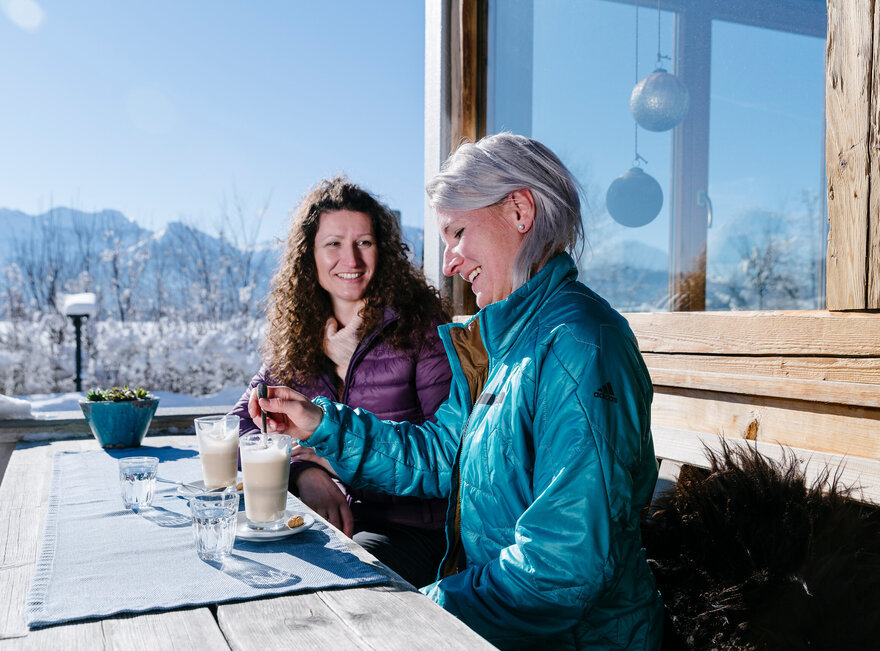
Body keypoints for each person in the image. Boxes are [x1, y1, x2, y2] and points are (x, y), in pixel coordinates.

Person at [249, 134, 663, 649]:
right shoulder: (505, 344)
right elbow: (443, 454)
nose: (449, 263)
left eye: (458, 232)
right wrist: (322, 425)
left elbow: (563, 568)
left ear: (518, 210)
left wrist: (422, 608)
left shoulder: (578, 345)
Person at [230, 176, 452, 588]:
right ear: (308, 256)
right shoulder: (297, 339)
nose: (350, 259)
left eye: (364, 242)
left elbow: (445, 454)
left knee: (330, 583)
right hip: (327, 524)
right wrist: (300, 472)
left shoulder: (422, 329)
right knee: (250, 570)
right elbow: (238, 430)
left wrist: (330, 461)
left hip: (413, 528)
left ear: (381, 251)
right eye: (333, 243)